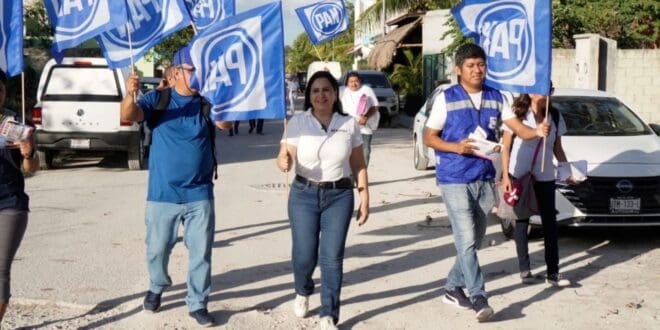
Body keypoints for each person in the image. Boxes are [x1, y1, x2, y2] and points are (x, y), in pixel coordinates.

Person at [422, 43, 549, 322]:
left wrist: (537, 131)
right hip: (454, 176)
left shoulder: (497, 97)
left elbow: (517, 129)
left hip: (483, 177)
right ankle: (479, 296)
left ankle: (452, 287)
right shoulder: (447, 98)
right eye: (471, 66)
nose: (477, 70)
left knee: (474, 240)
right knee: (466, 238)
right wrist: (457, 148)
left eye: (481, 65)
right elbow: (429, 137)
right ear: (458, 69)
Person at [120, 45, 231, 327]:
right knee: (157, 249)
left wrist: (222, 99)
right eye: (194, 69)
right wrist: (129, 92)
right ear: (176, 73)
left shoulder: (206, 100)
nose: (199, 74)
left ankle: (197, 303)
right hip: (162, 194)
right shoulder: (158, 99)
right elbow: (128, 115)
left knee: (201, 251)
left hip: (199, 192)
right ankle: (157, 286)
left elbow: (225, 125)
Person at [276, 71, 369, 330]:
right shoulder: (298, 122)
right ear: (309, 95)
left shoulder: (348, 124)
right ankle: (303, 290)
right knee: (304, 254)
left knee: (332, 256)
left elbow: (359, 164)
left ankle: (329, 313)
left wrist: (365, 197)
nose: (321, 95)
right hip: (303, 195)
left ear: (335, 94)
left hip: (339, 196)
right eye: (315, 90)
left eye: (326, 90)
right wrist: (283, 161)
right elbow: (285, 157)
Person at [500, 89, 573, 287]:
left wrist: (567, 171)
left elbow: (558, 147)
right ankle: (525, 270)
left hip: (545, 174)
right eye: (540, 89)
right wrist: (505, 175)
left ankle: (553, 273)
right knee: (522, 221)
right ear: (530, 92)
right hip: (520, 173)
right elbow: (506, 147)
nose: (545, 93)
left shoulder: (555, 115)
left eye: (548, 90)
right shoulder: (517, 112)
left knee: (550, 222)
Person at [0, 69, 39, 324]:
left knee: (0, 270)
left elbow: (32, 168)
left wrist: (27, 152)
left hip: (9, 204)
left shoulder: (15, 124)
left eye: (0, 90)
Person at [339, 71, 380, 166]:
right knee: (346, 153)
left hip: (364, 129)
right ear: (347, 83)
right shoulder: (342, 90)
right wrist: (326, 73)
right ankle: (350, 177)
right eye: (351, 81)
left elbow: (375, 106)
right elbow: (329, 86)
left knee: (365, 152)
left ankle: (362, 176)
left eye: (356, 81)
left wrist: (365, 117)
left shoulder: (367, 90)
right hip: (347, 129)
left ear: (360, 81)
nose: (354, 84)